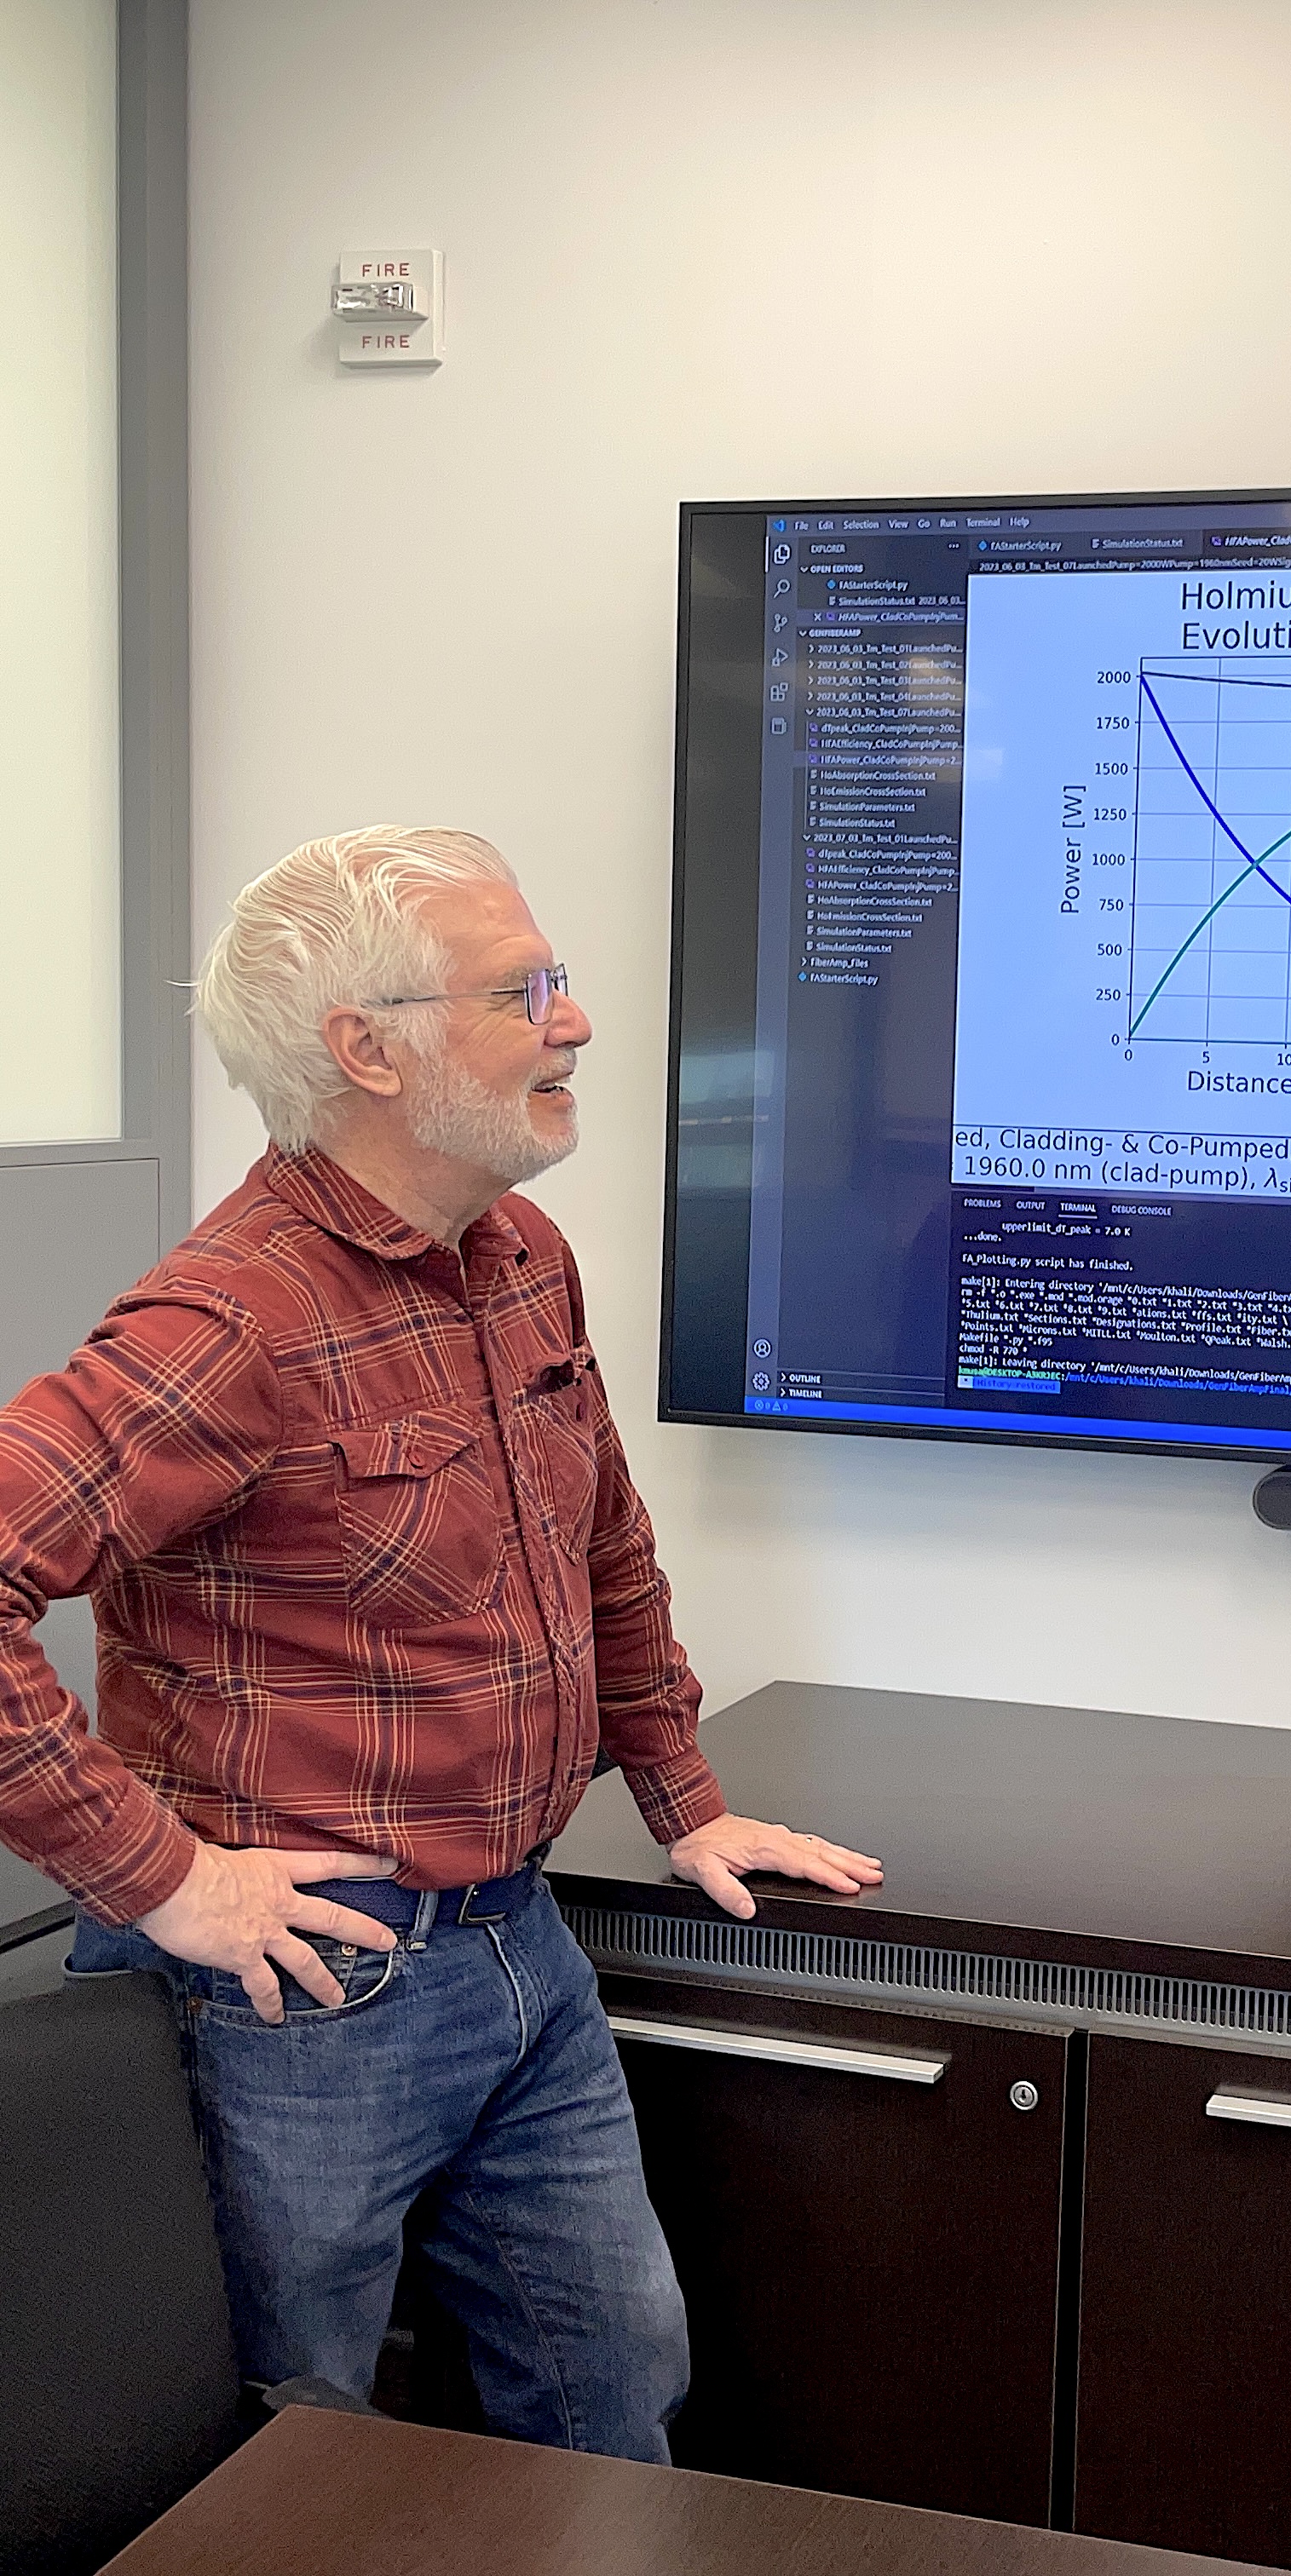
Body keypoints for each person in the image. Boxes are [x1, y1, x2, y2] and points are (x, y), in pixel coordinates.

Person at [0, 826, 884, 2460]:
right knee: (291, 2456)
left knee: (614, 2387)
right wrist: (163, 1881)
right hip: (300, 1988)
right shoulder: (234, 1319)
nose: (578, 1021)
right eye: (525, 989)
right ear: (369, 1049)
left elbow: (602, 1540)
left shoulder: (522, 1259)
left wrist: (683, 1800)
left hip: (514, 1942)